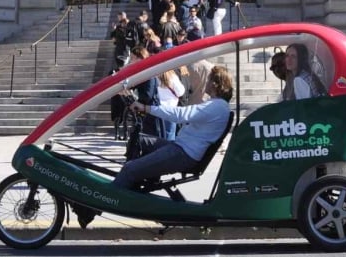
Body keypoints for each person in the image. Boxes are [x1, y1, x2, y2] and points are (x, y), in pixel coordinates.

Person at [74, 65, 235, 229]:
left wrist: (146, 108)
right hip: (181, 148)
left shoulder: (216, 106)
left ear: (215, 84)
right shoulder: (217, 106)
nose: (205, 82)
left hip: (183, 153)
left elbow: (180, 115)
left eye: (208, 79)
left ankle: (92, 211)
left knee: (130, 169)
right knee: (141, 140)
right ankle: (132, 183)